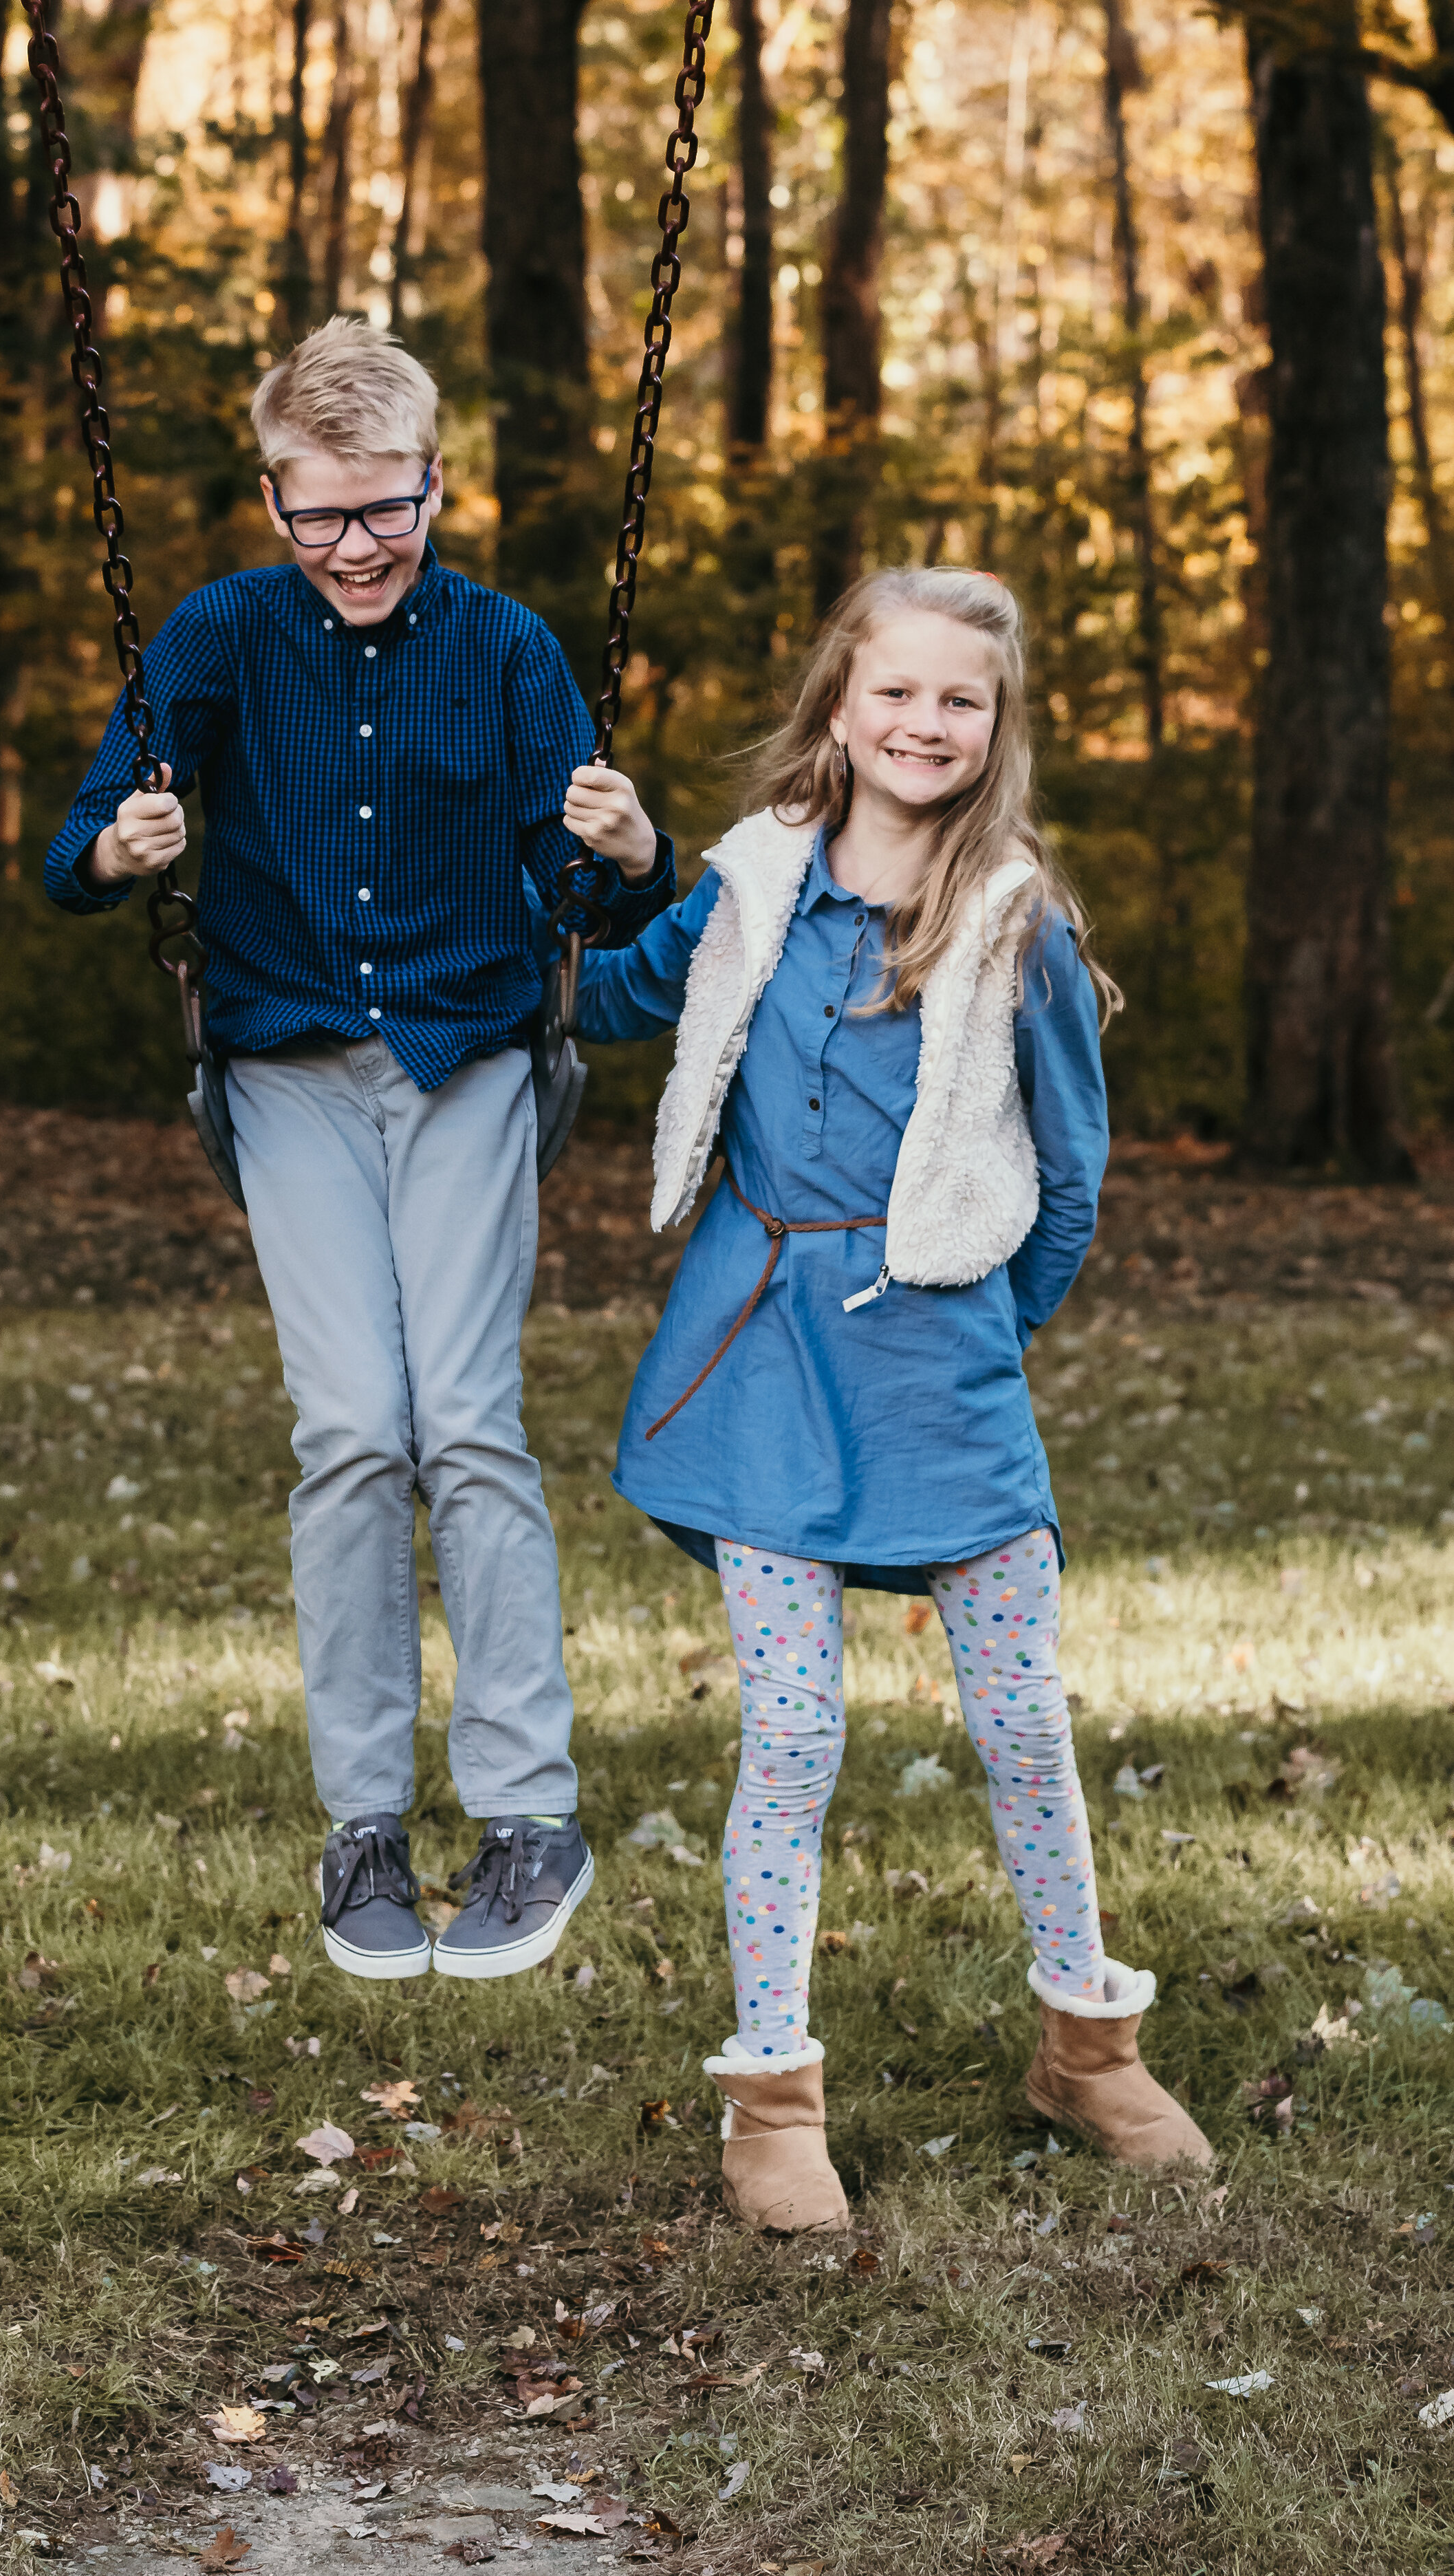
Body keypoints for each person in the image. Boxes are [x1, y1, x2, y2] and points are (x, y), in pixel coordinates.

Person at [573, 565, 1213, 2230]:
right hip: (759, 1360)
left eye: (961, 701)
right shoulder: (757, 882)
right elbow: (626, 992)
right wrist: (623, 863)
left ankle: (1085, 2041)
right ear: (836, 706)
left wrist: (982, 1333)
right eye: (897, 692)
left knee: (1019, 1720)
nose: (924, 723)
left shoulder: (1016, 925)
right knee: (790, 1729)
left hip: (937, 1364)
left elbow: (1064, 1183)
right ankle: (772, 2092)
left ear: (993, 730)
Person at [45, 318, 674, 1982]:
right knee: (349, 1431)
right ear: (271, 498)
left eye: (384, 511)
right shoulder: (219, 636)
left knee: (462, 1420)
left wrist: (632, 839)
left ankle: (530, 1815)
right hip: (286, 1064)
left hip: (469, 1056)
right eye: (317, 516)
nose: (353, 548)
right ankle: (365, 1828)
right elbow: (73, 847)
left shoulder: (511, 648)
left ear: (434, 486)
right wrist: (122, 844)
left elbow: (616, 888)